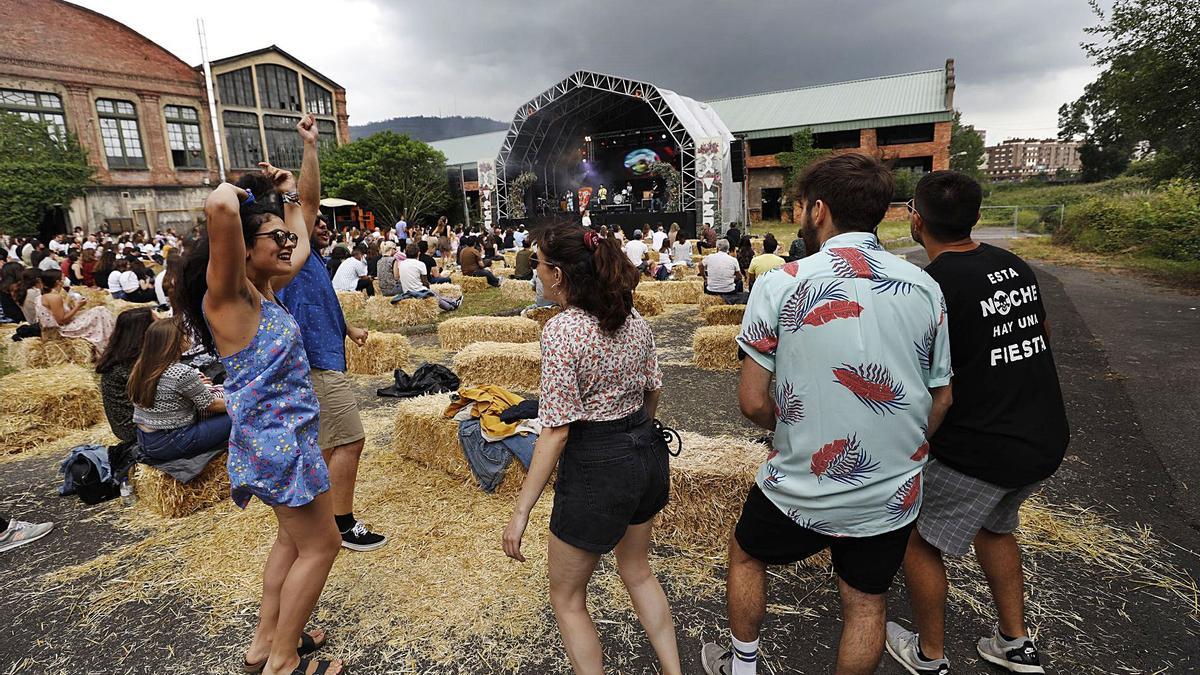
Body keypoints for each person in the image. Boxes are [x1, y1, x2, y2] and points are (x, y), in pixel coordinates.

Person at [702, 153, 953, 675]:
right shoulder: (926, 287)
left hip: (798, 485)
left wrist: (796, 425)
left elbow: (751, 402)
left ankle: (742, 665)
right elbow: (942, 396)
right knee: (865, 602)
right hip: (890, 490)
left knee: (747, 555)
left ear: (818, 210)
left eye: (800, 208)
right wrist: (894, 440)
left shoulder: (780, 283)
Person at [173, 114, 348, 675]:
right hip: (276, 442)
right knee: (322, 547)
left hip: (284, 438)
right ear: (241, 249)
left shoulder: (265, 290)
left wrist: (292, 185)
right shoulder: (228, 299)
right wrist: (253, 184)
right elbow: (222, 207)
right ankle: (282, 660)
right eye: (275, 236)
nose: (289, 241)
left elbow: (307, 215)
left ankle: (264, 644)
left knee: (291, 545)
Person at [885, 171, 1068, 675]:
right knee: (995, 526)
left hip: (983, 446)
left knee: (917, 538)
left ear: (915, 219)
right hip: (1042, 436)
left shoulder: (929, 286)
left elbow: (920, 376)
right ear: (977, 217)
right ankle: (1015, 641)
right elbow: (1042, 335)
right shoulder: (1013, 265)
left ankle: (929, 655)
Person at [503, 225, 681, 675]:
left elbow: (556, 431)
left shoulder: (562, 331)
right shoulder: (633, 318)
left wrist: (521, 510)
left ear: (559, 275)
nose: (536, 272)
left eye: (539, 264)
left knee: (566, 599)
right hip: (645, 451)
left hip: (597, 464)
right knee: (638, 571)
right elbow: (652, 391)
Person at [277, 211, 386, 554]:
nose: (324, 225)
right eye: (316, 220)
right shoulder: (297, 256)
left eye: (325, 220)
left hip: (321, 360)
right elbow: (304, 204)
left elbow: (323, 303)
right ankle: (342, 524)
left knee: (326, 444)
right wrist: (308, 157)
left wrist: (348, 329)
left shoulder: (314, 262)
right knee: (351, 440)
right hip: (316, 363)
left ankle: (315, 519)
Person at [128, 318, 231, 461]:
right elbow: (211, 405)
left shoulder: (142, 368)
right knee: (240, 416)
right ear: (175, 341)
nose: (188, 337)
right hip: (172, 441)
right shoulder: (180, 372)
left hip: (146, 440)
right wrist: (242, 403)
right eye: (185, 334)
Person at [96, 307, 155, 444]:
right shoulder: (128, 365)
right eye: (156, 323)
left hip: (135, 425)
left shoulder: (125, 357)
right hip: (136, 430)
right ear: (145, 331)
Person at [36, 270, 114, 355]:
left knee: (98, 311)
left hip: (62, 326)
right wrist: (78, 306)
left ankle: (110, 341)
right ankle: (110, 344)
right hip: (62, 330)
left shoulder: (46, 296)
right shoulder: (54, 298)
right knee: (100, 311)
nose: (65, 279)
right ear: (58, 282)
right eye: (63, 277)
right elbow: (61, 320)